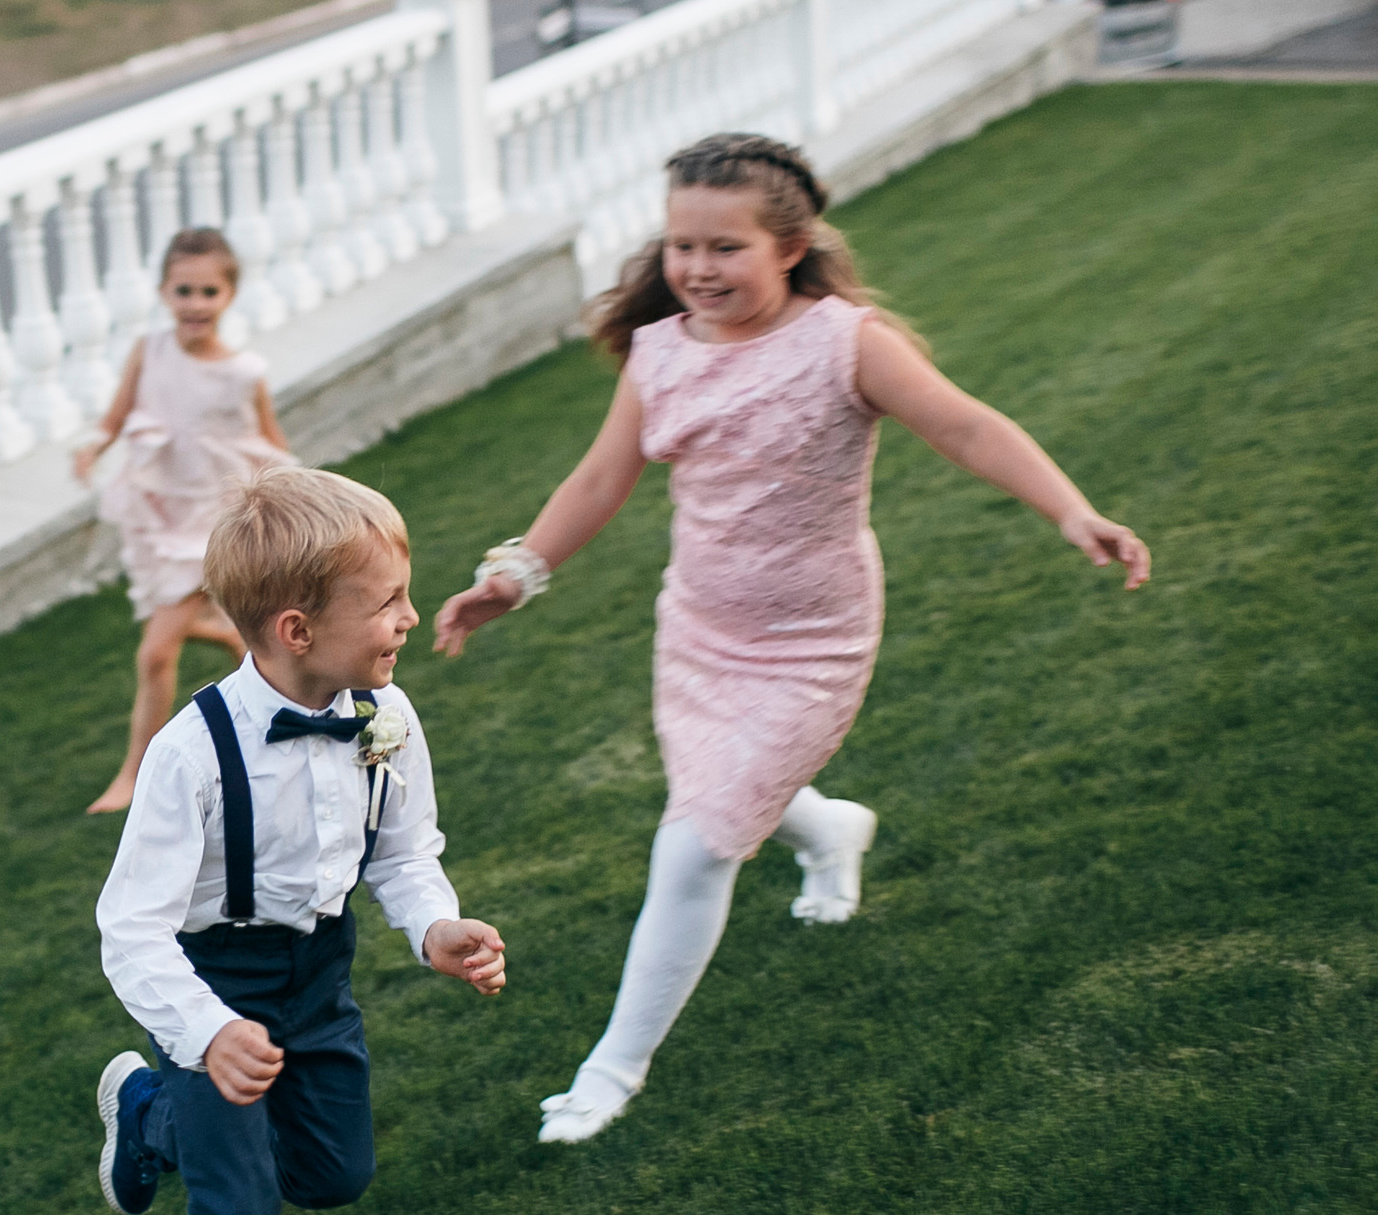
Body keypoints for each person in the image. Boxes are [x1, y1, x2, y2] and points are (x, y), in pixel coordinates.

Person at [432, 133, 1151, 1147]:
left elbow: (966, 427)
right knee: (722, 802)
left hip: (811, 643)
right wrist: (516, 575)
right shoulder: (659, 351)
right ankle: (830, 831)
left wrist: (1071, 511)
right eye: (681, 245)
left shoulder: (844, 342)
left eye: (724, 247)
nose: (695, 268)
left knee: (691, 847)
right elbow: (600, 480)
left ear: (791, 244)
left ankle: (612, 1070)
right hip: (698, 631)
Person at [93, 466, 509, 1215]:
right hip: (213, 984)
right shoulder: (190, 753)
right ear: (298, 631)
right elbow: (131, 927)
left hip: (319, 975)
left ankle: (150, 1114)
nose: (409, 619)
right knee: (238, 1209)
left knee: (334, 1173)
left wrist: (436, 924)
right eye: (390, 602)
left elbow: (405, 855)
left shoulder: (389, 719)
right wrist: (204, 1032)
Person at [75, 227, 297, 812]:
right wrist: (93, 446)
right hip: (158, 508)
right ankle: (229, 636)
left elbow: (272, 442)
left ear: (228, 296)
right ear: (163, 292)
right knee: (183, 625)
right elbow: (118, 414)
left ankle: (134, 775)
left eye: (208, 292)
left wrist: (292, 499)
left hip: (213, 522)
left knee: (154, 652)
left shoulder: (244, 372)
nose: (195, 304)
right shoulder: (149, 351)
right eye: (183, 291)